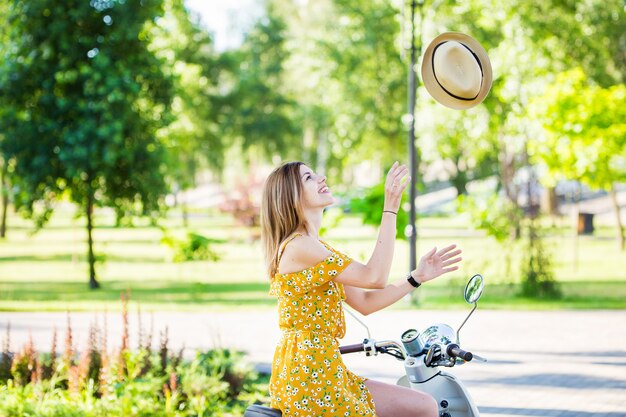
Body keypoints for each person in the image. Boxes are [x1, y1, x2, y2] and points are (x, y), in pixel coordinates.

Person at [260, 161, 463, 417]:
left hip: (324, 367)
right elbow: (375, 277)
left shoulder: (317, 247)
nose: (322, 178)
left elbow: (366, 301)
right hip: (308, 375)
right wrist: (390, 208)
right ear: (290, 196)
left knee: (423, 406)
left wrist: (416, 277)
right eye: (309, 177)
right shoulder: (300, 246)